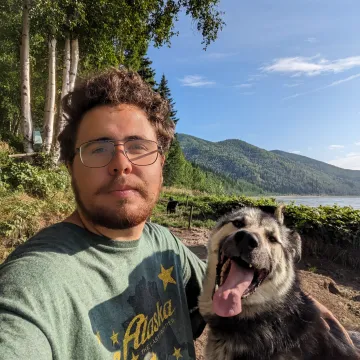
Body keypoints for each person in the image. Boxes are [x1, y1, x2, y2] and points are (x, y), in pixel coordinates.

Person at [0, 68, 356, 360]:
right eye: (98, 148)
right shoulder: (33, 286)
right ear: (69, 167)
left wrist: (309, 308)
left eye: (138, 147)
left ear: (161, 164)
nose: (121, 164)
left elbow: (237, 281)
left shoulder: (164, 245)